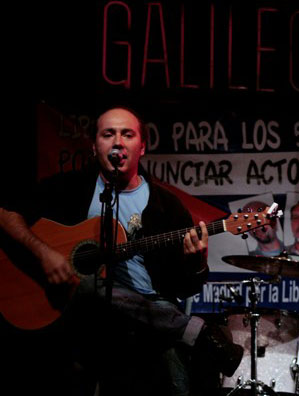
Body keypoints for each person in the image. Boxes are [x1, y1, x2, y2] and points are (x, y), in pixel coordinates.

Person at [0, 106, 242, 396]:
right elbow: (6, 215)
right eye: (108, 134)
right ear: (94, 146)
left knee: (178, 378)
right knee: (88, 283)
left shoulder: (167, 207)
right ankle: (195, 331)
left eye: (127, 134)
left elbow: (183, 286)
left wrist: (197, 262)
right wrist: (43, 253)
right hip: (76, 318)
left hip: (148, 321)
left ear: (142, 147)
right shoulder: (70, 189)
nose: (117, 141)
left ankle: (184, 331)